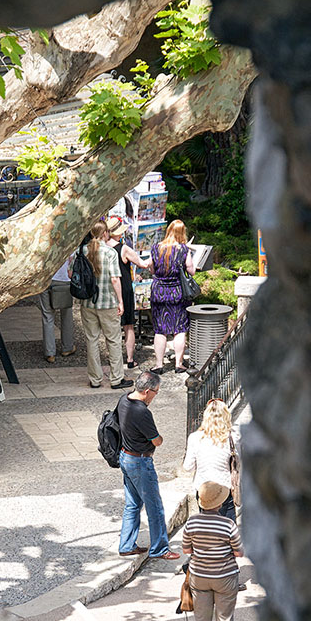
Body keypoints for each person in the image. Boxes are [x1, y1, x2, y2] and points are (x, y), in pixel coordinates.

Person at [182, 480, 244, 621]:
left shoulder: (191, 523)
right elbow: (239, 553)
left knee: (201, 620)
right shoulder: (228, 524)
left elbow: (186, 549)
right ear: (219, 504)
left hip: (199, 577)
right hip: (224, 577)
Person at [118, 370, 180, 560]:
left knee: (133, 503)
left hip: (125, 457)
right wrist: (160, 438)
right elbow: (156, 440)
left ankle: (127, 545)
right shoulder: (142, 412)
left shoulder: (124, 399)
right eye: (156, 392)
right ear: (147, 391)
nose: (155, 396)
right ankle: (160, 548)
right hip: (140, 462)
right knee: (155, 507)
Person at [79, 221, 133, 390]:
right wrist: (120, 301)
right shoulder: (110, 252)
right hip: (107, 302)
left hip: (88, 302)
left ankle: (95, 379)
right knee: (113, 341)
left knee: (92, 340)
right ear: (104, 234)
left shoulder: (83, 250)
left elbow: (72, 273)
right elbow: (115, 278)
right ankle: (116, 378)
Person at [148, 219, 195, 374]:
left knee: (160, 330)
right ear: (182, 233)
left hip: (159, 292)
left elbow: (152, 270)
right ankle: (178, 364)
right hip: (177, 293)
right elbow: (191, 271)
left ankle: (159, 365)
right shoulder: (183, 250)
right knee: (179, 328)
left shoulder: (156, 248)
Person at [105, 215, 150, 369]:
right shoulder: (123, 249)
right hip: (123, 289)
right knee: (128, 325)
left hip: (106, 289)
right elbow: (142, 264)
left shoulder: (101, 247)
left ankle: (114, 358)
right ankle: (130, 359)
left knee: (111, 327)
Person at [183, 398, 238, 522]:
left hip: (203, 488)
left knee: (207, 526)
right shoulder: (232, 437)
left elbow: (188, 467)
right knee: (228, 527)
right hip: (225, 487)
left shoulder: (195, 438)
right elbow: (238, 464)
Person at [37, 260, 76, 364]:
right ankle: (67, 347)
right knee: (66, 314)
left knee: (47, 316)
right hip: (64, 279)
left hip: (45, 279)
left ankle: (50, 352)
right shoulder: (68, 243)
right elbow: (72, 260)